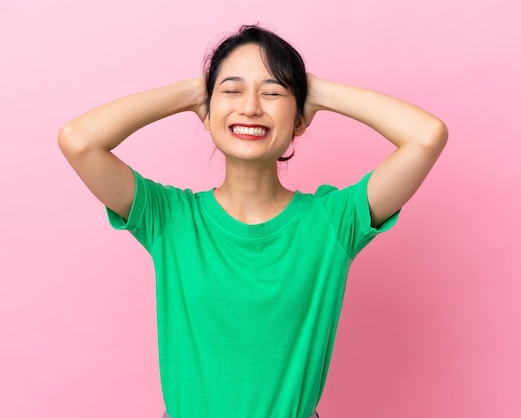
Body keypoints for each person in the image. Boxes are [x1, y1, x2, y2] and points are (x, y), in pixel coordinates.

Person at [58, 25, 447, 418]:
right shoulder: (171, 218)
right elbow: (79, 140)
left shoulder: (332, 221)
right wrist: (195, 93)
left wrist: (317, 91)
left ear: (299, 119)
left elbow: (426, 136)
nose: (250, 107)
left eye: (274, 91)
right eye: (232, 90)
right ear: (207, 114)